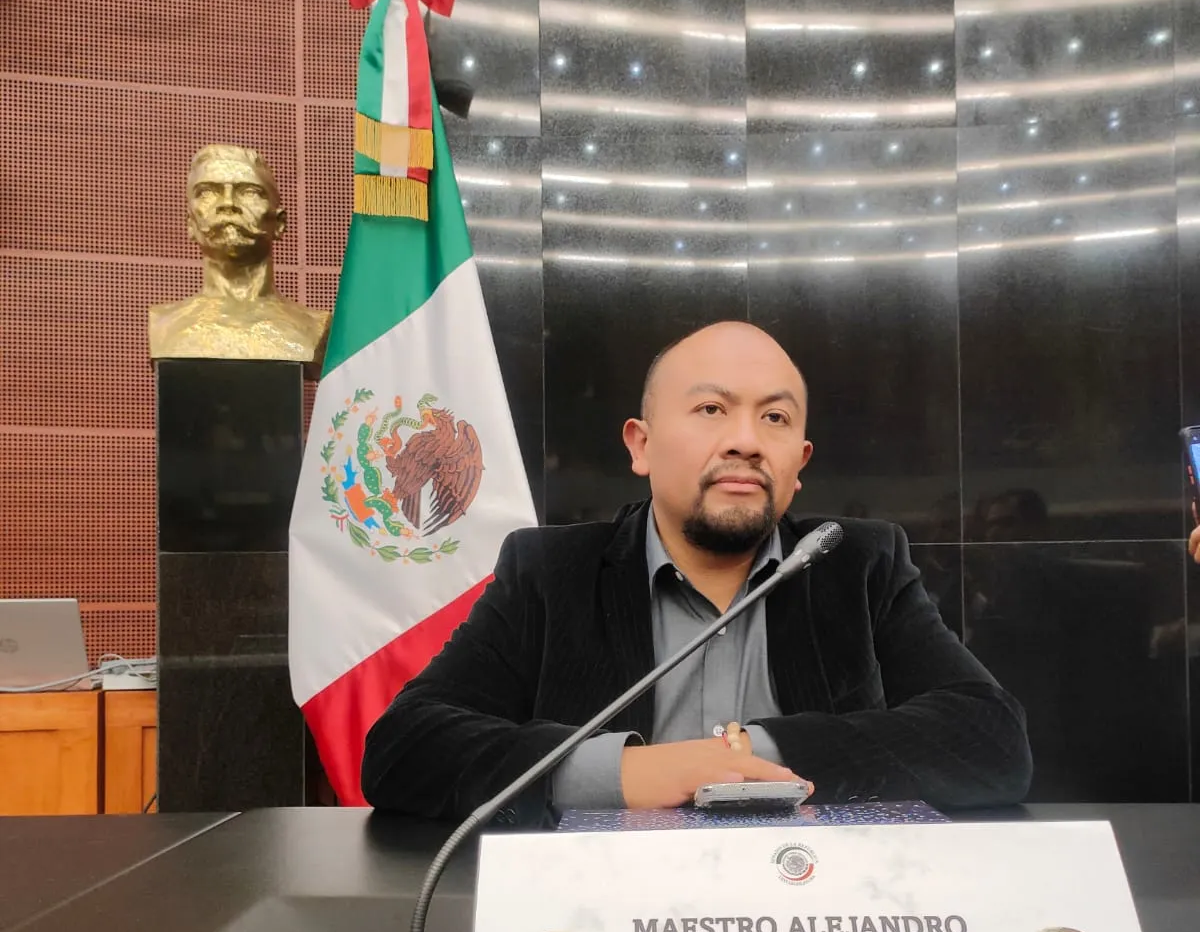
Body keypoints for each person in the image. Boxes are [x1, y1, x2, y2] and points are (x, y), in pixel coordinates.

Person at [361, 321, 1032, 819]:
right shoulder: (550, 573)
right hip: (608, 925)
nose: (744, 439)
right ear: (642, 445)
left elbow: (989, 741)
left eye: (773, 417)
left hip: (818, 923)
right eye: (712, 409)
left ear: (799, 464)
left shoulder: (856, 566)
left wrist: (758, 755)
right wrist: (632, 772)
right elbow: (405, 752)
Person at [148, 144, 329, 363]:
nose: (227, 204)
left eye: (249, 192)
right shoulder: (164, 325)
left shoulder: (314, 327)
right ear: (190, 224)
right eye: (206, 192)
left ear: (280, 223)